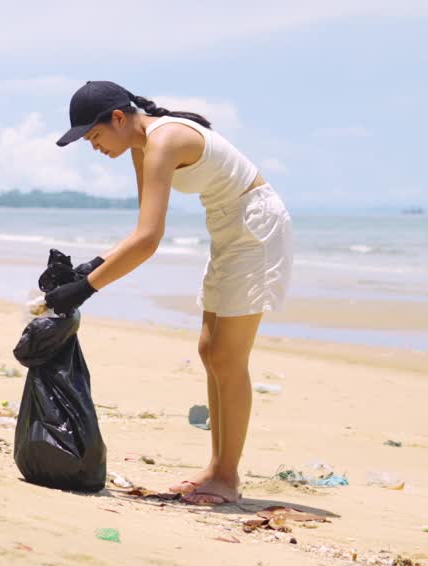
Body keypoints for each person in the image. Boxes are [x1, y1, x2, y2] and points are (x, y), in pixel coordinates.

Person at [45, 80, 293, 505]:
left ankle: (227, 478)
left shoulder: (163, 141)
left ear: (118, 118)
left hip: (256, 228)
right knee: (210, 349)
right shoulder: (142, 147)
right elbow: (141, 230)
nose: (94, 147)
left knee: (228, 355)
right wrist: (85, 269)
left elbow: (149, 240)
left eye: (94, 135)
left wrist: (84, 289)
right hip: (229, 226)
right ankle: (217, 470)